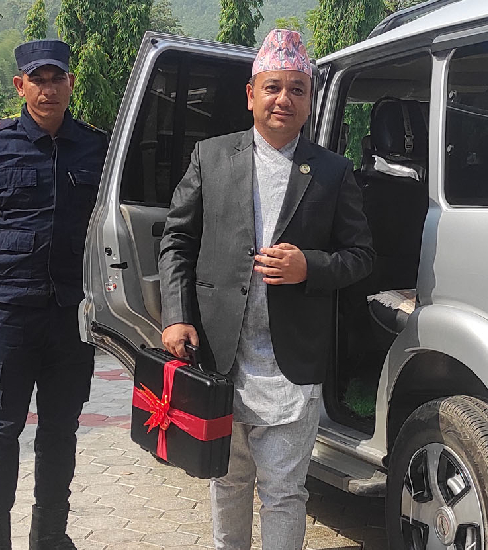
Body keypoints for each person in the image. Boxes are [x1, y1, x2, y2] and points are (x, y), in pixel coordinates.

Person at [157, 29, 374, 550]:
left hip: (291, 365)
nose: (284, 99)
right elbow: (176, 239)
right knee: (227, 481)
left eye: (298, 89)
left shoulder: (332, 171)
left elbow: (362, 257)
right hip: (219, 358)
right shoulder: (211, 157)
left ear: (310, 100)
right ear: (250, 94)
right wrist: (176, 315)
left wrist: (309, 266)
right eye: (273, 87)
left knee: (284, 492)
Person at [0, 39, 108, 550]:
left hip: (71, 313)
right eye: (38, 79)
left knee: (61, 430)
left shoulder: (97, 146)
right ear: (20, 85)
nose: (48, 89)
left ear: (70, 84)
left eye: (57, 79)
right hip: (9, 310)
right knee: (1, 428)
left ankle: (50, 537)